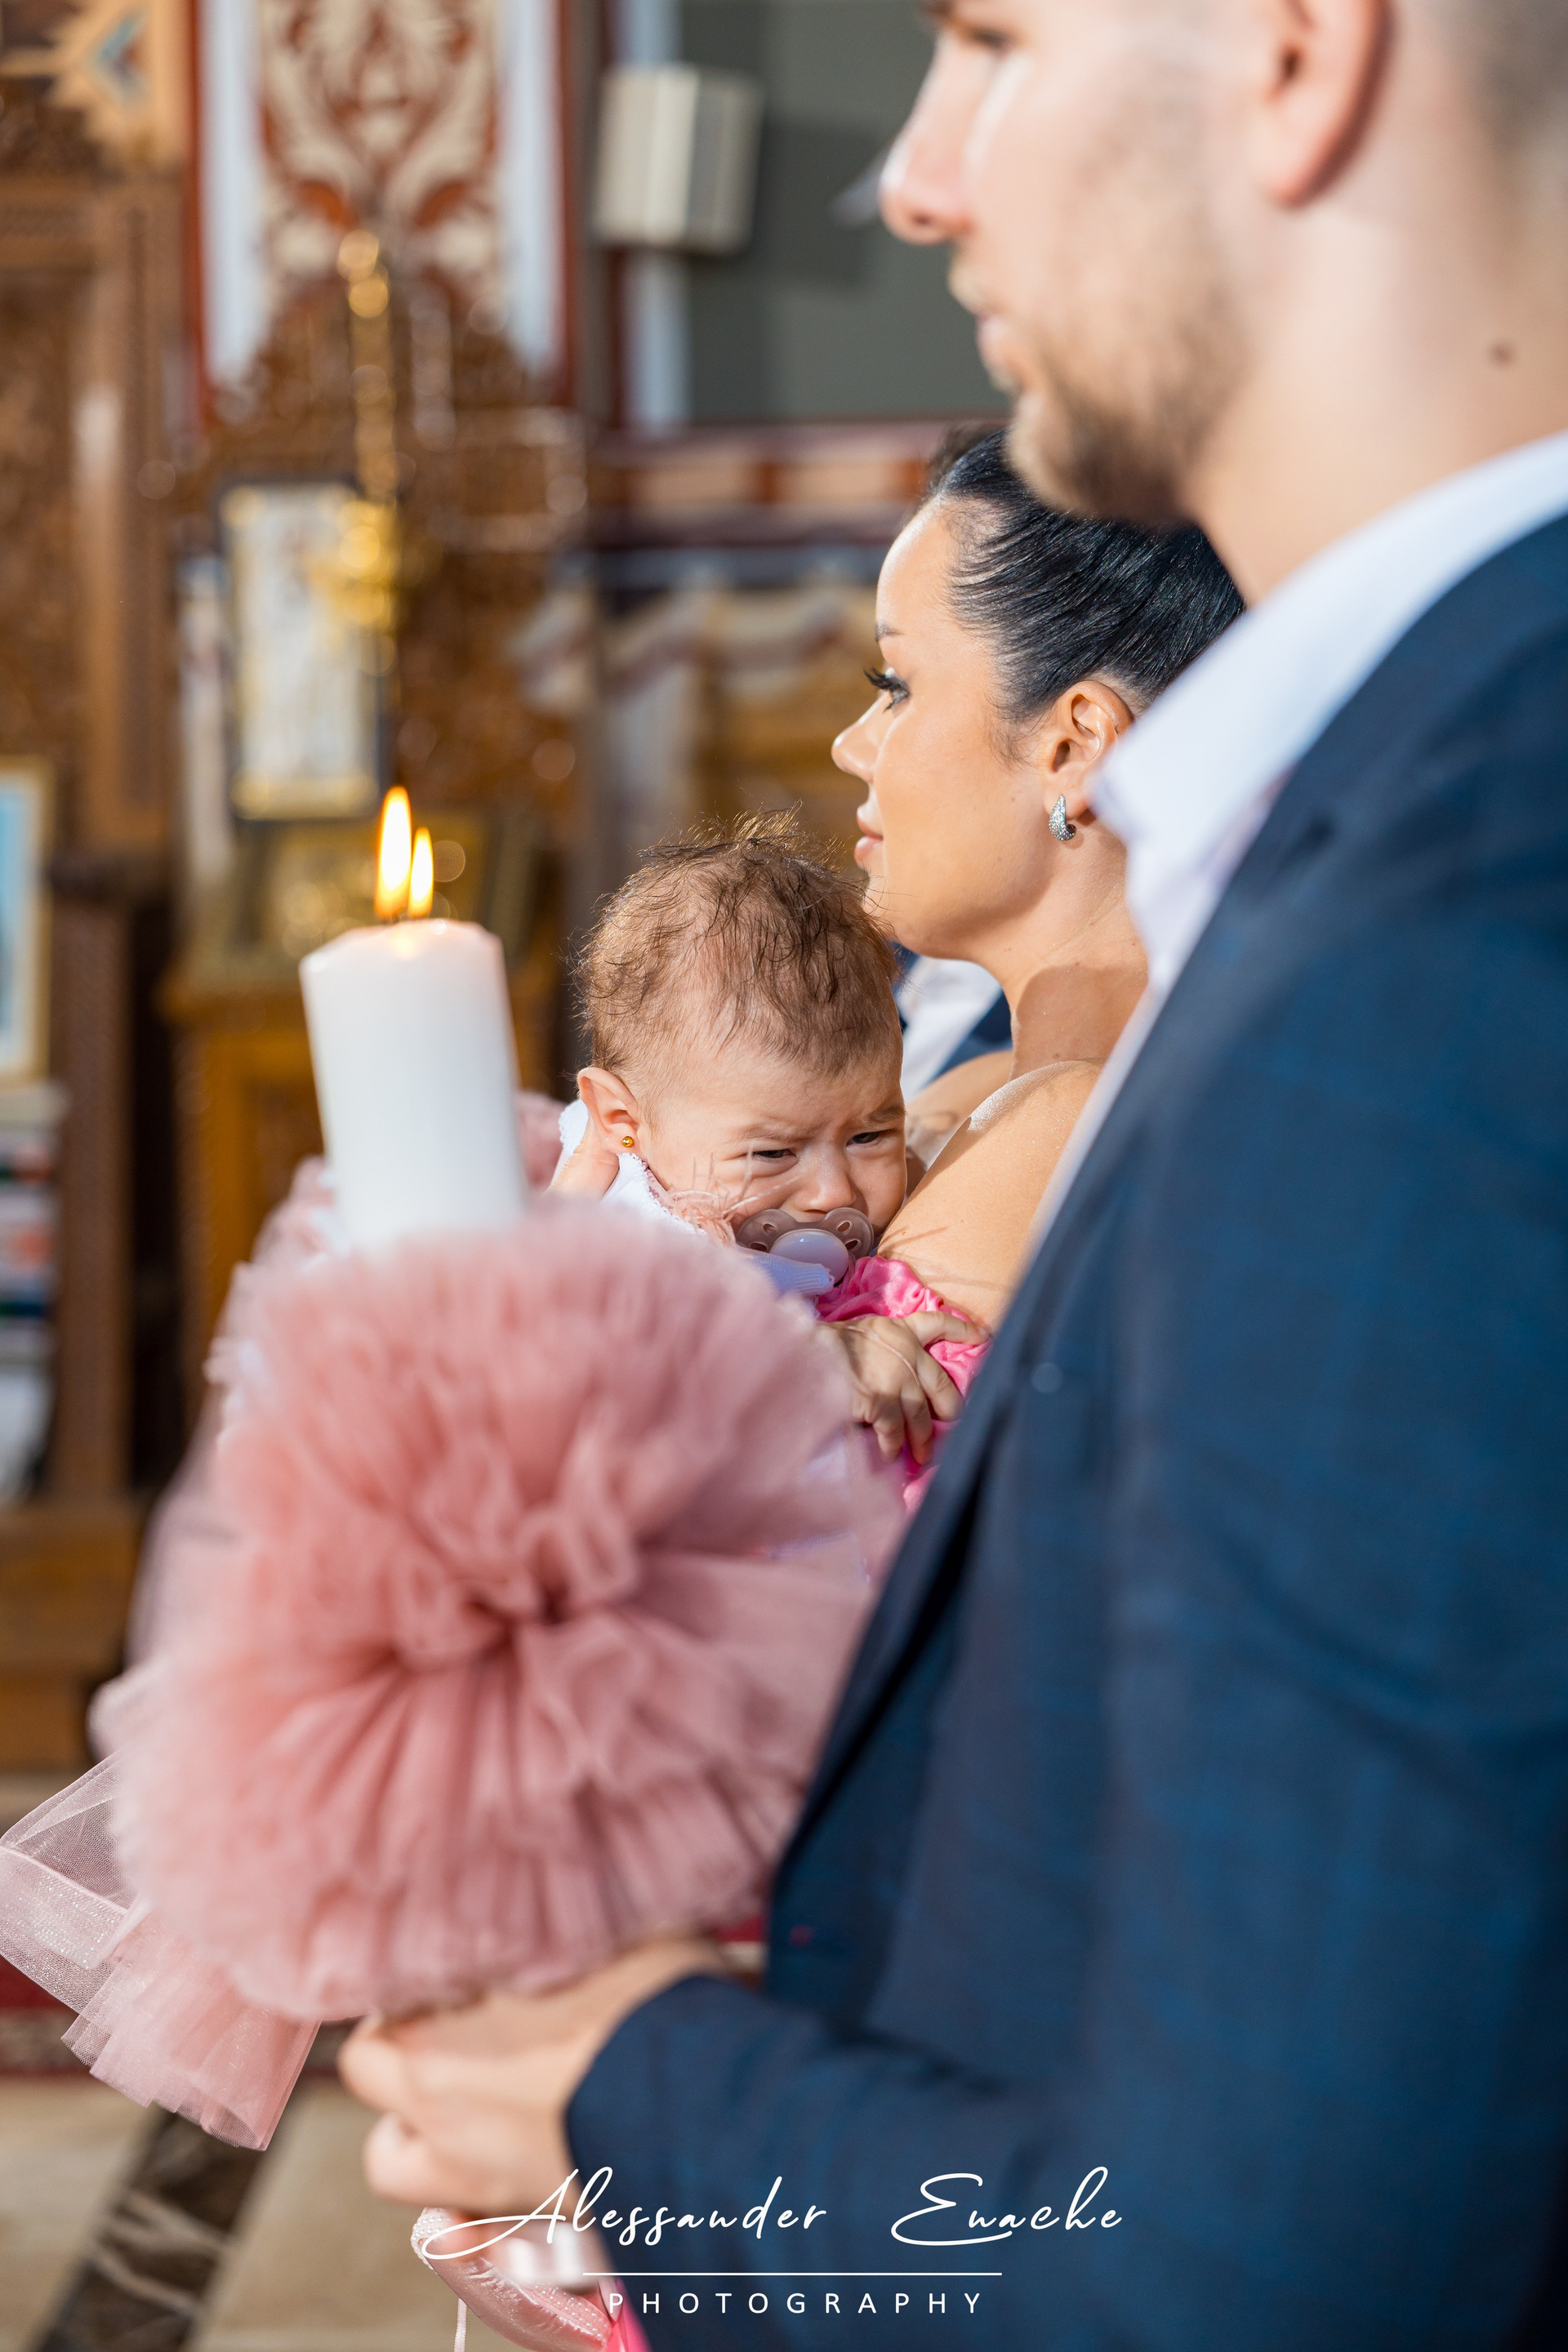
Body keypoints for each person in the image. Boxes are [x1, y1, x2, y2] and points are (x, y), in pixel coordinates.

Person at [344, 3, 1568, 2342]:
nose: (913, 176)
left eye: (992, 41)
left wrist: (631, 2089)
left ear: (1300, 50)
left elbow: (1271, 2268)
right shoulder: (1391, 821)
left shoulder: (1449, 936)